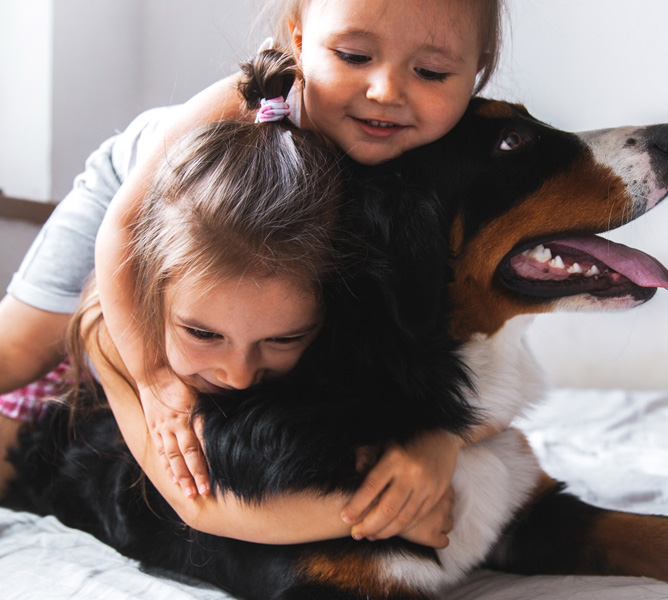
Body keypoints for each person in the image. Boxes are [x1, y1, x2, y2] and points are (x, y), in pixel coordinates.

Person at [0, 0, 506, 545]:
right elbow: (121, 229)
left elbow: (497, 360)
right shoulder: (241, 103)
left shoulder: (447, 168)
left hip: (271, 260)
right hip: (140, 200)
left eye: (431, 72)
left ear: (476, 71)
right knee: (19, 354)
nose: (385, 90)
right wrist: (152, 377)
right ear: (297, 39)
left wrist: (441, 440)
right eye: (354, 55)